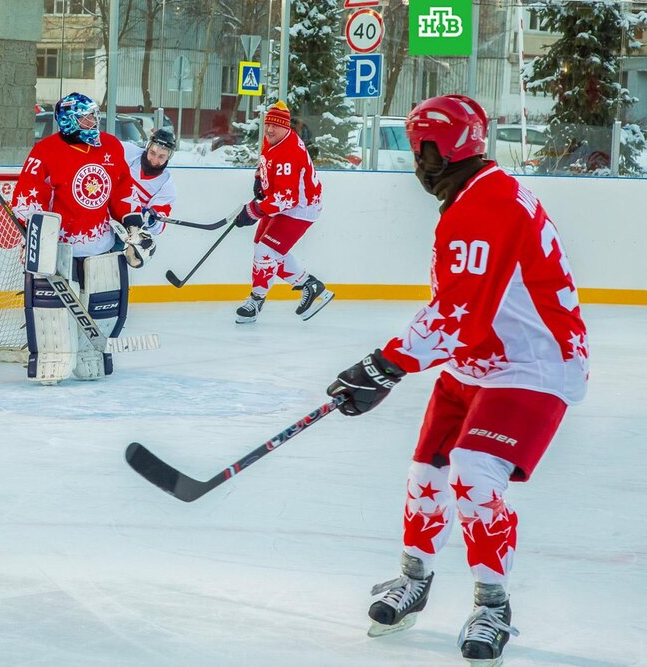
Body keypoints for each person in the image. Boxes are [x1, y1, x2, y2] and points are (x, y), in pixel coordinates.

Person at [326, 95, 588, 664]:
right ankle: (414, 578)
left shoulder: (485, 205)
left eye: (425, 150)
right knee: (428, 470)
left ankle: (493, 606)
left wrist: (385, 364)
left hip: (533, 363)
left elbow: (458, 314)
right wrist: (390, 364)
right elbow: (459, 312)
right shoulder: (475, 197)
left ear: (451, 149)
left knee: (475, 469)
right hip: (477, 360)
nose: (418, 164)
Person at [9, 92, 153, 385]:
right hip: (60, 247)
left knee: (102, 304)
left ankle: (91, 356)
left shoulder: (111, 146)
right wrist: (36, 231)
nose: (93, 121)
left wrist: (134, 225)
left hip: (99, 245)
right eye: (86, 117)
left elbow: (122, 189)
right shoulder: (45, 151)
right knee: (53, 311)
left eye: (95, 115)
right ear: (68, 119)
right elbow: (27, 194)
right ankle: (52, 358)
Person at [232, 101, 333, 324]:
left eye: (275, 126)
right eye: (268, 124)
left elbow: (287, 198)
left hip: (300, 208)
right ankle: (309, 284)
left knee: (265, 251)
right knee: (264, 245)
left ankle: (256, 300)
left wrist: (253, 211)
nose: (269, 129)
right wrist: (260, 179)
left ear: (286, 127)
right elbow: (265, 160)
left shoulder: (290, 152)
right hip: (281, 203)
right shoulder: (273, 140)